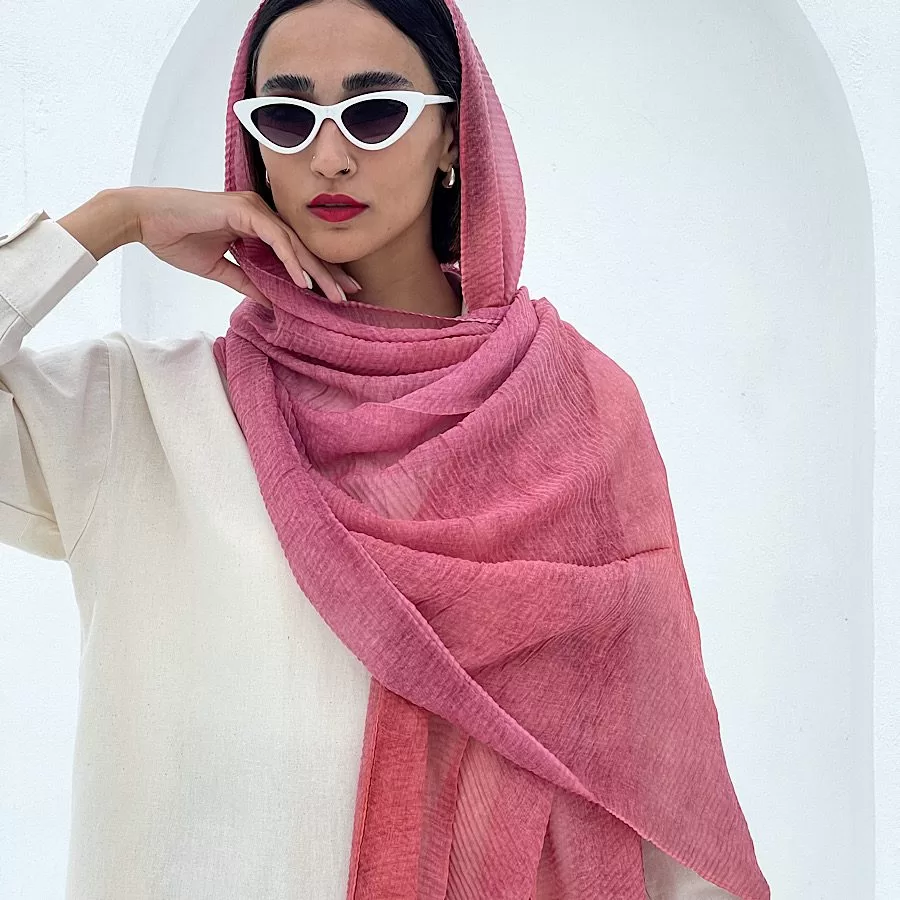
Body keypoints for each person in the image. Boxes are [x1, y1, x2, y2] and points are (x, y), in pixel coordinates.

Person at [1, 1, 770, 898]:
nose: (328, 156)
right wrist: (113, 220)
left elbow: (649, 786)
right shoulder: (148, 417)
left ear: (453, 138)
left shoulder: (577, 412)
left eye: (374, 113)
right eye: (287, 118)